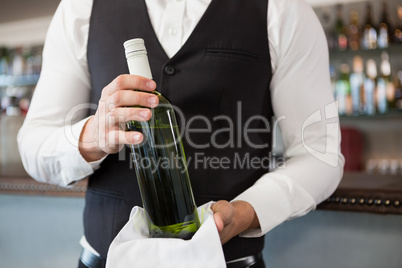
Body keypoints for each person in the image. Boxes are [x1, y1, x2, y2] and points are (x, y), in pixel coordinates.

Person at [17, 0, 344, 267]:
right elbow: (33, 146)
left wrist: (246, 212)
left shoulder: (285, 12)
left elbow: (320, 155)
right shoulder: (79, 11)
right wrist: (92, 136)